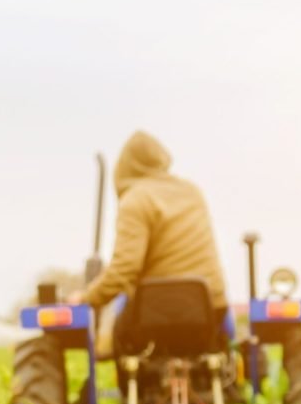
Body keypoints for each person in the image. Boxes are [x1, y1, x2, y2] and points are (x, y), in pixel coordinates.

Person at [70, 130, 231, 352]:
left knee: (118, 337)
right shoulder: (192, 192)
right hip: (208, 306)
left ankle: (131, 384)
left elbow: (125, 268)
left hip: (154, 312)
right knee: (223, 339)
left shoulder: (135, 199)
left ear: (125, 166)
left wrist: (88, 297)